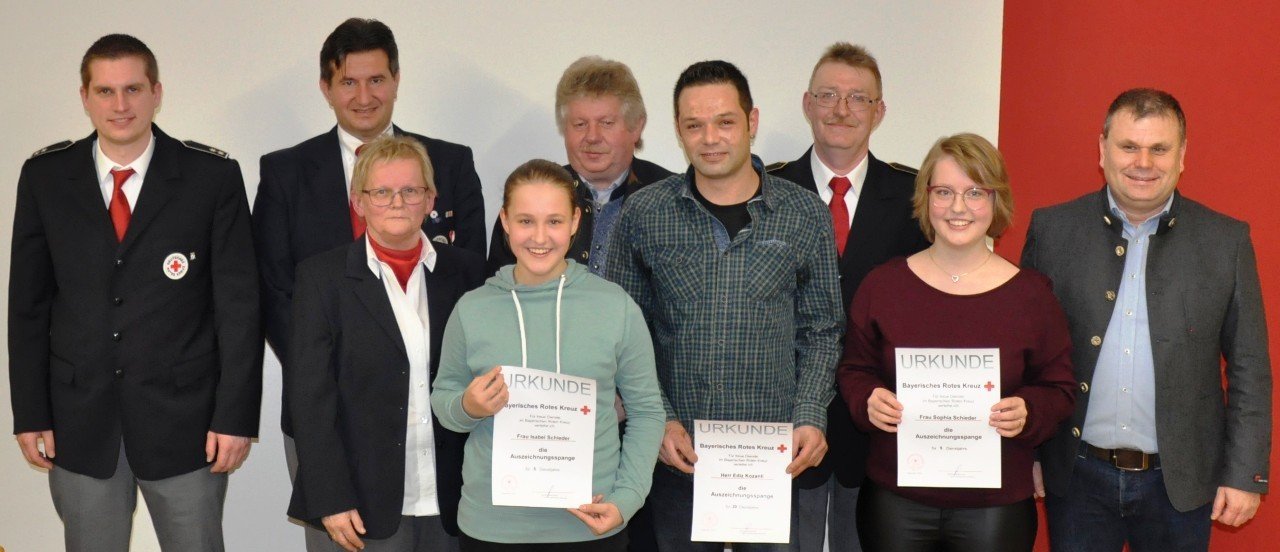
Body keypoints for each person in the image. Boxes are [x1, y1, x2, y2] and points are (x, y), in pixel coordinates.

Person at [8, 34, 261, 552]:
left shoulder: (210, 177)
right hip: (80, 422)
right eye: (104, 91)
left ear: (156, 93)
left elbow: (239, 308)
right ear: (84, 97)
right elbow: (28, 308)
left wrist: (235, 418)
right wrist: (31, 413)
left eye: (132, 89)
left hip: (188, 425)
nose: (119, 105)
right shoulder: (45, 177)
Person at [252, 18, 486, 549]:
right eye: (348, 82)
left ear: (397, 80)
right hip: (331, 419)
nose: (364, 96)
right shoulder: (285, 171)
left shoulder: (450, 162)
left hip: (447, 427)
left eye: (376, 79)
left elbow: (474, 288)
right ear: (326, 88)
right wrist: (334, 375)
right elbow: (275, 291)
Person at [607, 60, 844, 552]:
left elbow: (822, 330)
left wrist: (810, 414)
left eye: (725, 122)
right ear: (677, 130)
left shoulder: (804, 214)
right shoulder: (644, 213)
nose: (710, 137)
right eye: (694, 124)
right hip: (676, 460)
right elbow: (625, 336)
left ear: (752, 122)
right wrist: (660, 419)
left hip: (774, 465)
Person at [1021, 88, 1272, 551]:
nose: (1144, 162)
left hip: (1180, 485)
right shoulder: (1052, 230)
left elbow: (1249, 368)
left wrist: (1245, 474)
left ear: (1182, 156)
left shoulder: (1226, 240)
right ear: (1102, 150)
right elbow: (1027, 355)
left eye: (1160, 148)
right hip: (1076, 477)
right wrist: (1028, 452)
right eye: (1129, 146)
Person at [837, 133, 1075, 552]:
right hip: (895, 499)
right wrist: (867, 399)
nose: (958, 207)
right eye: (944, 192)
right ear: (926, 198)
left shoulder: (1032, 294)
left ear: (996, 200)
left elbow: (1059, 388)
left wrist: (1029, 410)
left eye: (975, 192)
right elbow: (854, 369)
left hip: (995, 507)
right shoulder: (884, 285)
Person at [432, 159, 664, 551]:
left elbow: (647, 411)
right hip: (492, 528)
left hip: (589, 525)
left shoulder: (615, 306)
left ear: (575, 222)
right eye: (525, 221)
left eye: (554, 221)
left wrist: (627, 499)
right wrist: (469, 407)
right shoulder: (472, 309)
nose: (539, 237)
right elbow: (444, 401)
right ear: (504, 222)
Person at [766, 42, 929, 552]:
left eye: (858, 99)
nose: (841, 109)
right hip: (783, 415)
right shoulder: (763, 192)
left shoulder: (918, 198)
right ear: (807, 103)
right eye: (829, 95)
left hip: (880, 420)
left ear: (879, 113)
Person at [287, 136, 484, 552]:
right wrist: (330, 497)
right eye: (381, 192)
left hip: (457, 491)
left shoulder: (468, 274)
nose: (397, 203)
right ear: (358, 201)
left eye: (411, 190)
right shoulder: (321, 280)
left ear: (430, 199)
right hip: (367, 497)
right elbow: (310, 399)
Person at [485, 55, 673, 277]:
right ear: (564, 129)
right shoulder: (529, 196)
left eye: (606, 123)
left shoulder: (672, 198)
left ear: (636, 126)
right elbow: (499, 289)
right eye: (580, 124)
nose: (592, 137)